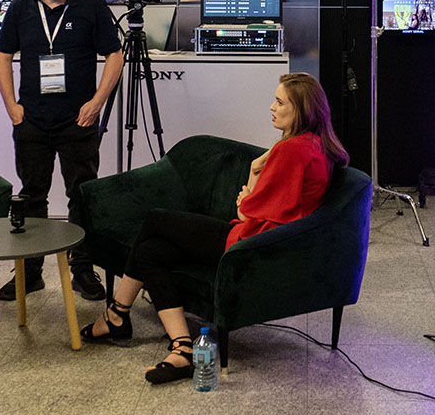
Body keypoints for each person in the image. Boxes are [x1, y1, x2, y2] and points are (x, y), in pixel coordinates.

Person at [80, 73, 348, 383]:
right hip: (259, 240)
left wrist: (248, 193)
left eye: (279, 102)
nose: (271, 107)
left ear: (300, 110)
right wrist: (254, 172)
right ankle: (182, 349)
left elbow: (247, 212)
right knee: (151, 251)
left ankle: (116, 315)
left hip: (249, 245)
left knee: (156, 219)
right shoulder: (312, 144)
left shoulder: (293, 150)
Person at [0, 0, 125, 301]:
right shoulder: (20, 9)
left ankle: (82, 269)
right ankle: (30, 271)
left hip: (78, 120)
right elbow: (2, 57)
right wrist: (11, 106)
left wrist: (97, 103)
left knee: (81, 195)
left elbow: (115, 55)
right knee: (32, 195)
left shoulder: (90, 8)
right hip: (32, 120)